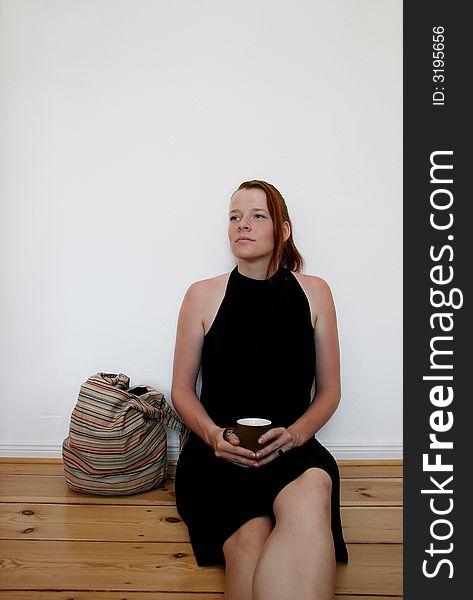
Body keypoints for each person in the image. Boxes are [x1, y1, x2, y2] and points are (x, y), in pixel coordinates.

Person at [172, 180, 348, 600]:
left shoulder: (316, 293)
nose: (242, 225)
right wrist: (213, 436)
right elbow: (181, 390)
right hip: (220, 452)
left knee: (311, 501)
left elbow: (330, 390)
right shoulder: (201, 295)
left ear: (283, 230)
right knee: (251, 536)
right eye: (234, 217)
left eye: (257, 215)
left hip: (293, 445)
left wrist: (296, 436)